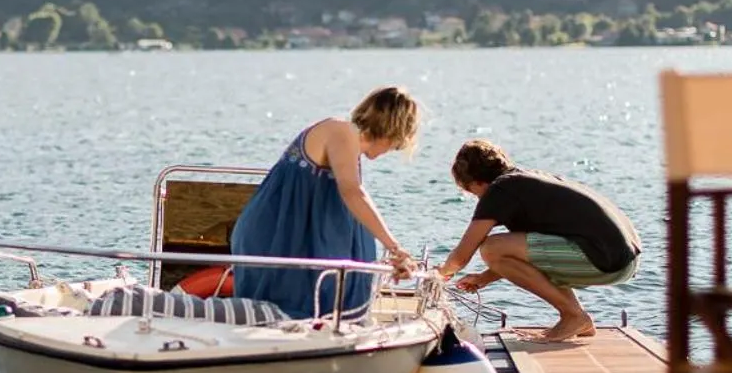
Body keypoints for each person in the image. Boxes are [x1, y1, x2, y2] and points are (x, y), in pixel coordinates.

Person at [230, 86, 421, 319]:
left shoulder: (347, 143)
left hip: (289, 237)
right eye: (397, 143)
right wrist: (395, 247)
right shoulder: (342, 131)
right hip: (278, 237)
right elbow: (353, 192)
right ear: (392, 129)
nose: (393, 149)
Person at [436, 138, 641, 342]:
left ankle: (574, 316)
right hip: (623, 259)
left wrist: (437, 274)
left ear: (477, 182)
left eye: (471, 191)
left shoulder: (500, 189)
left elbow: (461, 257)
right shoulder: (526, 181)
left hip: (606, 257)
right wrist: (484, 278)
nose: (476, 199)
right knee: (499, 250)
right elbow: (528, 255)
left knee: (491, 247)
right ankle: (577, 318)